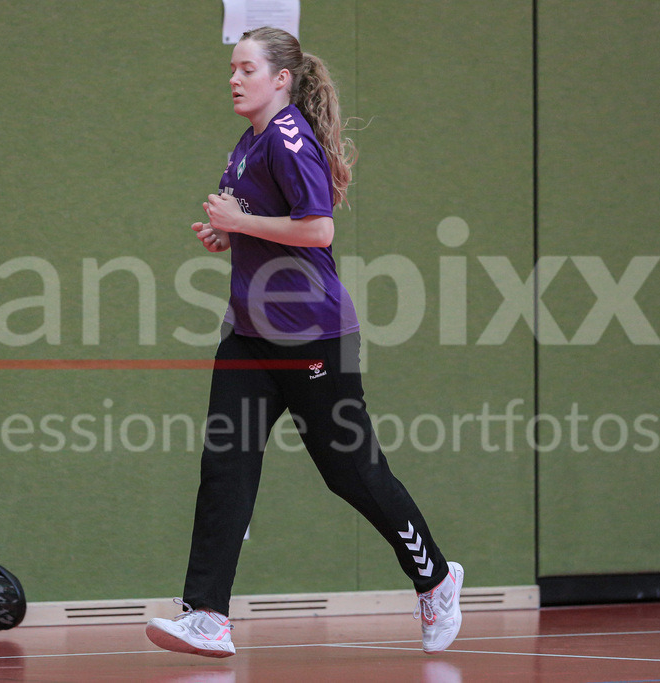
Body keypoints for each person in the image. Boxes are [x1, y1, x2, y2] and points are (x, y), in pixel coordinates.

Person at [145, 26, 463, 658]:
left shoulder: (290, 138)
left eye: (247, 69)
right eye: (232, 69)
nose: (234, 79)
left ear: (281, 79)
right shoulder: (248, 142)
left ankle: (435, 577)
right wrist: (230, 235)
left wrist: (242, 221)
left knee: (352, 473)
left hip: (313, 336)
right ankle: (207, 616)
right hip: (249, 337)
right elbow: (268, 223)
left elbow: (317, 229)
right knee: (226, 468)